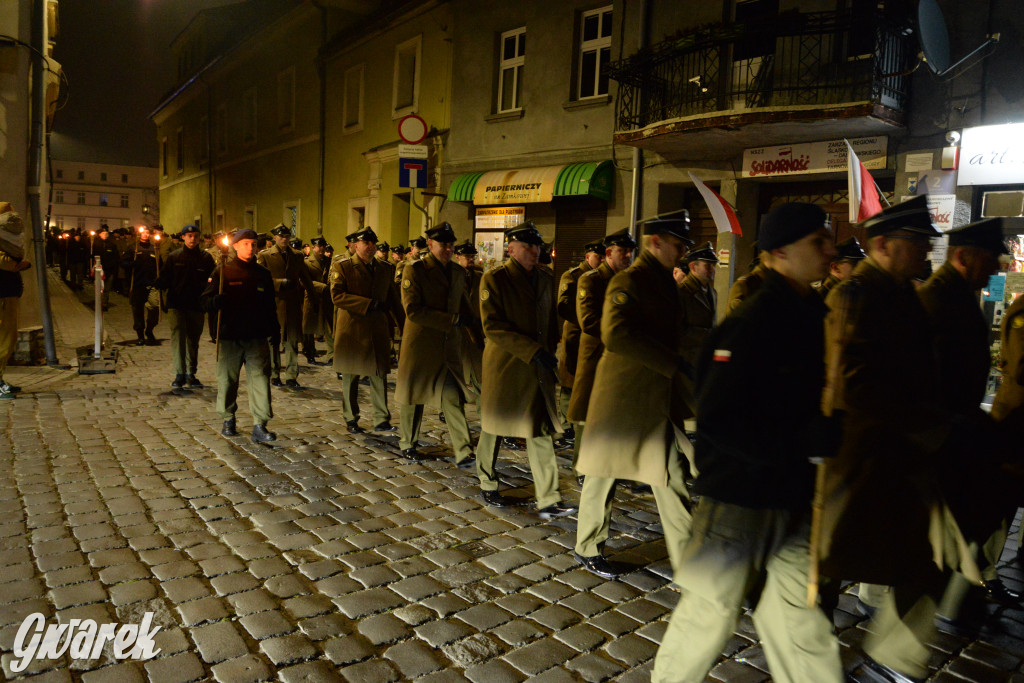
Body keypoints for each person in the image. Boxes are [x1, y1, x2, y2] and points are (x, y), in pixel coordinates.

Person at [651, 203, 842, 683]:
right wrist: (805, 439)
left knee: (803, 622)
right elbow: (718, 418)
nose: (829, 250)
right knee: (708, 616)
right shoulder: (752, 319)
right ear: (779, 251)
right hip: (739, 499)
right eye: (816, 242)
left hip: (793, 496)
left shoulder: (810, 312)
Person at [818, 195, 982, 682]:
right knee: (829, 564)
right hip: (861, 455)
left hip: (901, 456)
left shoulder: (903, 292)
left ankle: (893, 658)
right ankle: (808, 648)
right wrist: (922, 425)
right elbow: (853, 382)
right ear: (883, 245)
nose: (926, 252)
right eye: (917, 243)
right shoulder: (856, 294)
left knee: (921, 560)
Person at [575, 217, 695, 580]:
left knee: (670, 475)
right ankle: (588, 545)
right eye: (678, 244)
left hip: (655, 397)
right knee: (603, 473)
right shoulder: (630, 280)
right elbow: (616, 334)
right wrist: (672, 364)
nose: (684, 252)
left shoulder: (664, 280)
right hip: (624, 396)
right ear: (656, 242)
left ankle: (690, 563)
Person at [917, 219, 1019, 621]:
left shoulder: (958, 296)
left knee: (963, 521)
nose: (997, 270)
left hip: (957, 434)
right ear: (963, 257)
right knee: (945, 528)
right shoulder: (938, 300)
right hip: (943, 436)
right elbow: (928, 377)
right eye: (991, 261)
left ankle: (961, 600)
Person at [475, 221, 574, 519]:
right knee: (495, 426)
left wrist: (552, 348)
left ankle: (548, 497)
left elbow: (548, 319)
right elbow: (493, 327)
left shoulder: (544, 277)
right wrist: (533, 351)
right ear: (511, 248)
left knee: (540, 429)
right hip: (507, 365)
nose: (535, 251)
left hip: (537, 366)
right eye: (528, 246)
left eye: (537, 246)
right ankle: (486, 480)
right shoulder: (495, 279)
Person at [569, 229, 637, 575]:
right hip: (600, 367)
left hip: (627, 377)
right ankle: (588, 545)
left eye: (630, 252)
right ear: (608, 252)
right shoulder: (592, 280)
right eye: (622, 252)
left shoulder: (632, 281)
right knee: (600, 461)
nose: (627, 256)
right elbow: (590, 322)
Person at [395, 222, 476, 465]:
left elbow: (464, 306)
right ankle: (407, 442)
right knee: (413, 397)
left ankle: (463, 450)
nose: (448, 249)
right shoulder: (415, 270)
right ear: (430, 245)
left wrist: (477, 334)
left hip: (448, 346)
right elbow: (413, 311)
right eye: (443, 245)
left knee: (452, 397)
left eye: (451, 245)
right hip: (421, 345)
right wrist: (451, 320)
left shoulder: (458, 272)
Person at [201, 228, 279, 443]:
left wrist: (275, 330)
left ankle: (260, 424)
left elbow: (270, 305)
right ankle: (228, 418)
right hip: (231, 335)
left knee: (261, 380)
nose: (251, 247)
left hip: (256, 335)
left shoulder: (263, 273)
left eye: (254, 243)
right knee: (227, 380)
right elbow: (205, 301)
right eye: (246, 243)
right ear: (235, 246)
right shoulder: (222, 271)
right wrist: (215, 302)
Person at [331, 227, 403, 434]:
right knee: (351, 376)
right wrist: (368, 304)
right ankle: (351, 418)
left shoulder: (385, 268)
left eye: (373, 243)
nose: (370, 247)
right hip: (352, 330)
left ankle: (381, 419)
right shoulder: (343, 266)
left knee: (379, 374)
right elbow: (337, 296)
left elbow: (394, 299)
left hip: (377, 329)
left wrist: (404, 327)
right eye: (366, 243)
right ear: (355, 245)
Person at [155, 224, 216, 388]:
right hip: (177, 304)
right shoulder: (174, 257)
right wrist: (160, 282)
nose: (192, 239)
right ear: (183, 237)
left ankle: (191, 373)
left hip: (196, 305)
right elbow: (166, 277)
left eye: (195, 236)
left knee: (193, 341)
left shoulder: (206, 258)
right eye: (189, 236)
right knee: (178, 338)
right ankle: (179, 373)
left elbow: (213, 280)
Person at [556, 240, 604, 446]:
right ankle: (566, 426)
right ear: (587, 257)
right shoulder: (573, 275)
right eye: (597, 256)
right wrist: (584, 318)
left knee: (583, 380)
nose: (600, 260)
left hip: (592, 337)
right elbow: (563, 305)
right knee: (569, 380)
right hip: (575, 333)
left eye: (603, 257)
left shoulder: (601, 278)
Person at [258, 224, 315, 388]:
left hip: (292, 305)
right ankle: (274, 374)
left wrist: (312, 297)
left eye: (287, 236)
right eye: (281, 236)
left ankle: (291, 375)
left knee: (292, 342)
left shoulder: (297, 256)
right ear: (274, 238)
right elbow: (260, 280)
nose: (284, 239)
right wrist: (279, 283)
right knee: (273, 341)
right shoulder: (266, 256)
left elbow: (305, 277)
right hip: (273, 305)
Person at [0, 204, 31, 400]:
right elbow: (6, 262)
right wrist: (19, 265)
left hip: (9, 293)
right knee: (3, 339)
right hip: (2, 293)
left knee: (7, 339)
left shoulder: (8, 238)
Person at [677, 241, 719, 367]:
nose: (712, 269)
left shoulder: (712, 292)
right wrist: (708, 335)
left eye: (713, 265)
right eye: (708, 266)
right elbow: (679, 329)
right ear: (693, 267)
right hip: (687, 359)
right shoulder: (683, 292)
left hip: (703, 357)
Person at [454, 240, 484, 400]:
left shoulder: (480, 277)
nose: (471, 259)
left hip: (476, 330)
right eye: (467, 256)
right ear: (458, 256)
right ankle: (448, 408)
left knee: (479, 375)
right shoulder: (451, 275)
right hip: (457, 329)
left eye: (472, 256)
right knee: (456, 374)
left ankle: (482, 411)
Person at [126, 226, 162, 346]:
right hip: (138, 284)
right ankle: (140, 335)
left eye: (147, 233)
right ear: (139, 234)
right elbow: (123, 263)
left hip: (152, 284)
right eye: (143, 233)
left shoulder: (154, 248)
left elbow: (160, 265)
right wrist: (132, 264)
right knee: (138, 311)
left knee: (155, 307)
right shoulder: (133, 248)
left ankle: (149, 329)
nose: (146, 234)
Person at [302, 236, 333, 365]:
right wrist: (322, 287)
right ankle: (309, 352)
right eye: (318, 246)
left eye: (323, 246)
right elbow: (304, 280)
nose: (321, 249)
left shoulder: (329, 261)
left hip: (327, 298)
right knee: (309, 327)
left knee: (330, 328)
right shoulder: (307, 262)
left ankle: (332, 354)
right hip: (312, 297)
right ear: (313, 247)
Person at [92, 224, 120, 310]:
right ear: (100, 234)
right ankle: (98, 302)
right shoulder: (96, 244)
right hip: (99, 269)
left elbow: (116, 257)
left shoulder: (112, 245)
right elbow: (94, 256)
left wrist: (114, 267)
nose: (105, 234)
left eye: (106, 233)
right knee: (99, 287)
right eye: (103, 233)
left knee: (107, 288)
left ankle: (104, 303)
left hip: (109, 269)